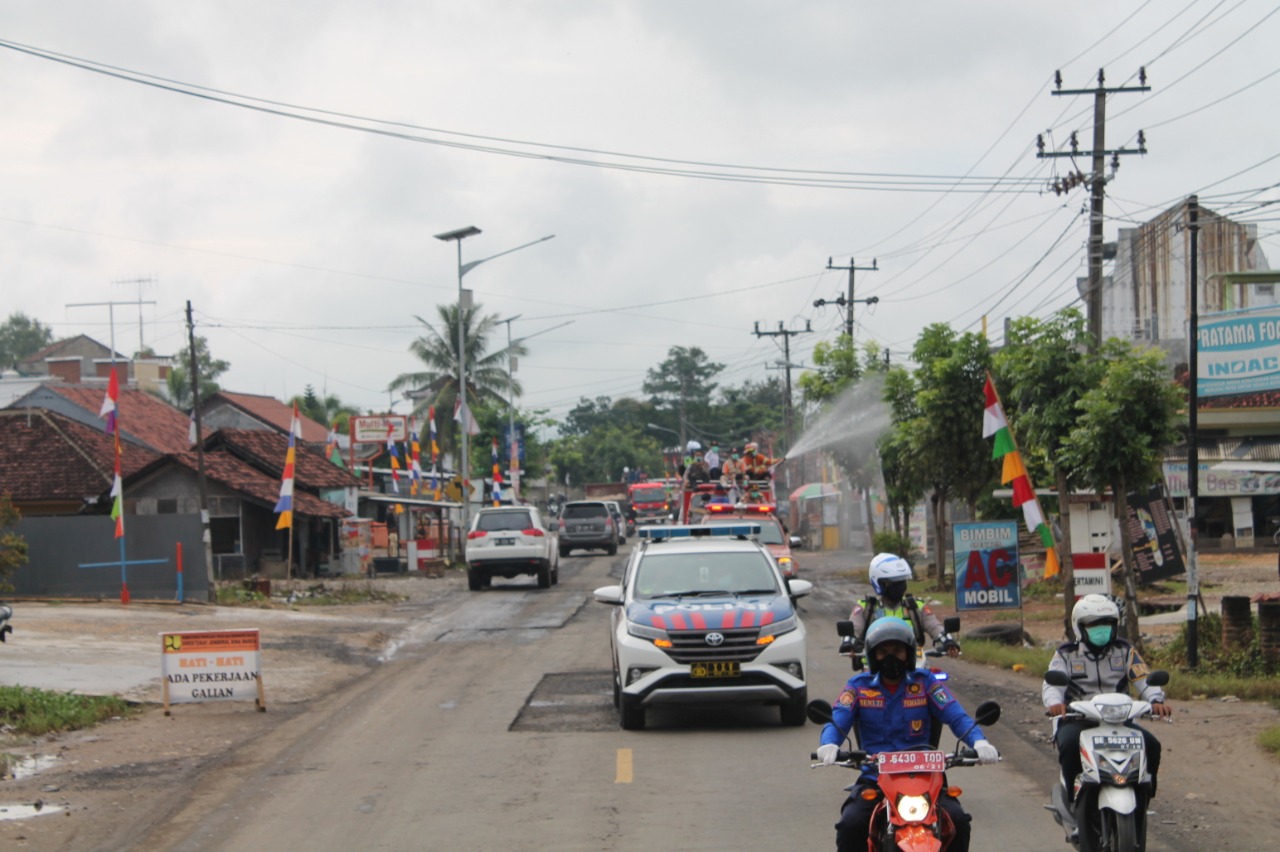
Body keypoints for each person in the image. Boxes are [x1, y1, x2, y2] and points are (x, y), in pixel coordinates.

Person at [817, 617, 999, 852]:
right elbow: (838, 718)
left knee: (959, 821)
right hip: (875, 779)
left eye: (897, 650)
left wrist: (979, 741)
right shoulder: (858, 686)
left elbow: (956, 715)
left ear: (909, 653)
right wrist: (828, 744)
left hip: (926, 781)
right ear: (872, 655)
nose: (891, 657)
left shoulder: (925, 683)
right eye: (883, 652)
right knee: (851, 824)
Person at [1043, 594, 1170, 802]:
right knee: (1069, 745)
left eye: (1107, 623)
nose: (1101, 628)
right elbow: (1052, 685)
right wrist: (1055, 704)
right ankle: (1073, 801)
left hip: (1120, 721)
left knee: (1151, 745)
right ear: (1080, 626)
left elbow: (1144, 679)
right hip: (1078, 720)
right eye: (1094, 624)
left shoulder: (1125, 651)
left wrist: (1156, 701)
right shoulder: (1066, 654)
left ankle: (1144, 797)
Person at [848, 553, 959, 657]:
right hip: (873, 668)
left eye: (902, 582)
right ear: (878, 583)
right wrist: (850, 643)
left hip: (913, 665)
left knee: (933, 678)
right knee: (857, 679)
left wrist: (948, 641)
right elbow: (854, 628)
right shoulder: (866, 608)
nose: (899, 586)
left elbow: (934, 626)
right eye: (893, 583)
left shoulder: (915, 607)